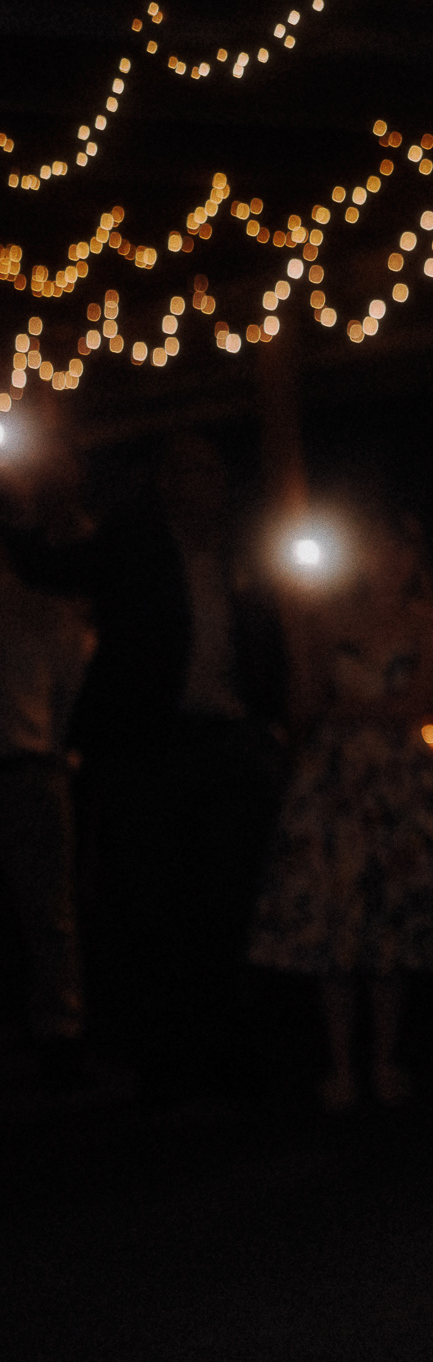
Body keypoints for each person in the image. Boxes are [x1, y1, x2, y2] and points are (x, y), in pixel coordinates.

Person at [5, 433, 286, 1098]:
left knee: (224, 898)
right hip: (149, 747)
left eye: (215, 471)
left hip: (222, 742)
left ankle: (227, 1045)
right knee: (152, 901)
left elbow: (265, 637)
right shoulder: (133, 544)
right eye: (191, 470)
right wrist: (15, 520)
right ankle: (163, 1055)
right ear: (167, 481)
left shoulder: (239, 554)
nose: (206, 484)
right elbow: (55, 568)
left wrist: (268, 724)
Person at [248, 510, 433, 1112]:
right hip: (336, 783)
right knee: (336, 918)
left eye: (399, 553)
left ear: (413, 562)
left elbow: (418, 703)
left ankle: (386, 1059)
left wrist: (346, 707)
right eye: (378, 552)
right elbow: (302, 711)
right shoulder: (324, 623)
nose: (387, 564)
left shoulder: (432, 627)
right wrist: (300, 652)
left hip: (397, 781)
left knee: (390, 918)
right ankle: (342, 1064)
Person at [0, 522, 93, 1084]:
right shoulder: (44, 608)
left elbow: (73, 687)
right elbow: (73, 688)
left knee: (49, 908)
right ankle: (60, 1029)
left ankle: (60, 1030)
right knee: (50, 910)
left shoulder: (39, 607)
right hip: (33, 761)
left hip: (29, 764)